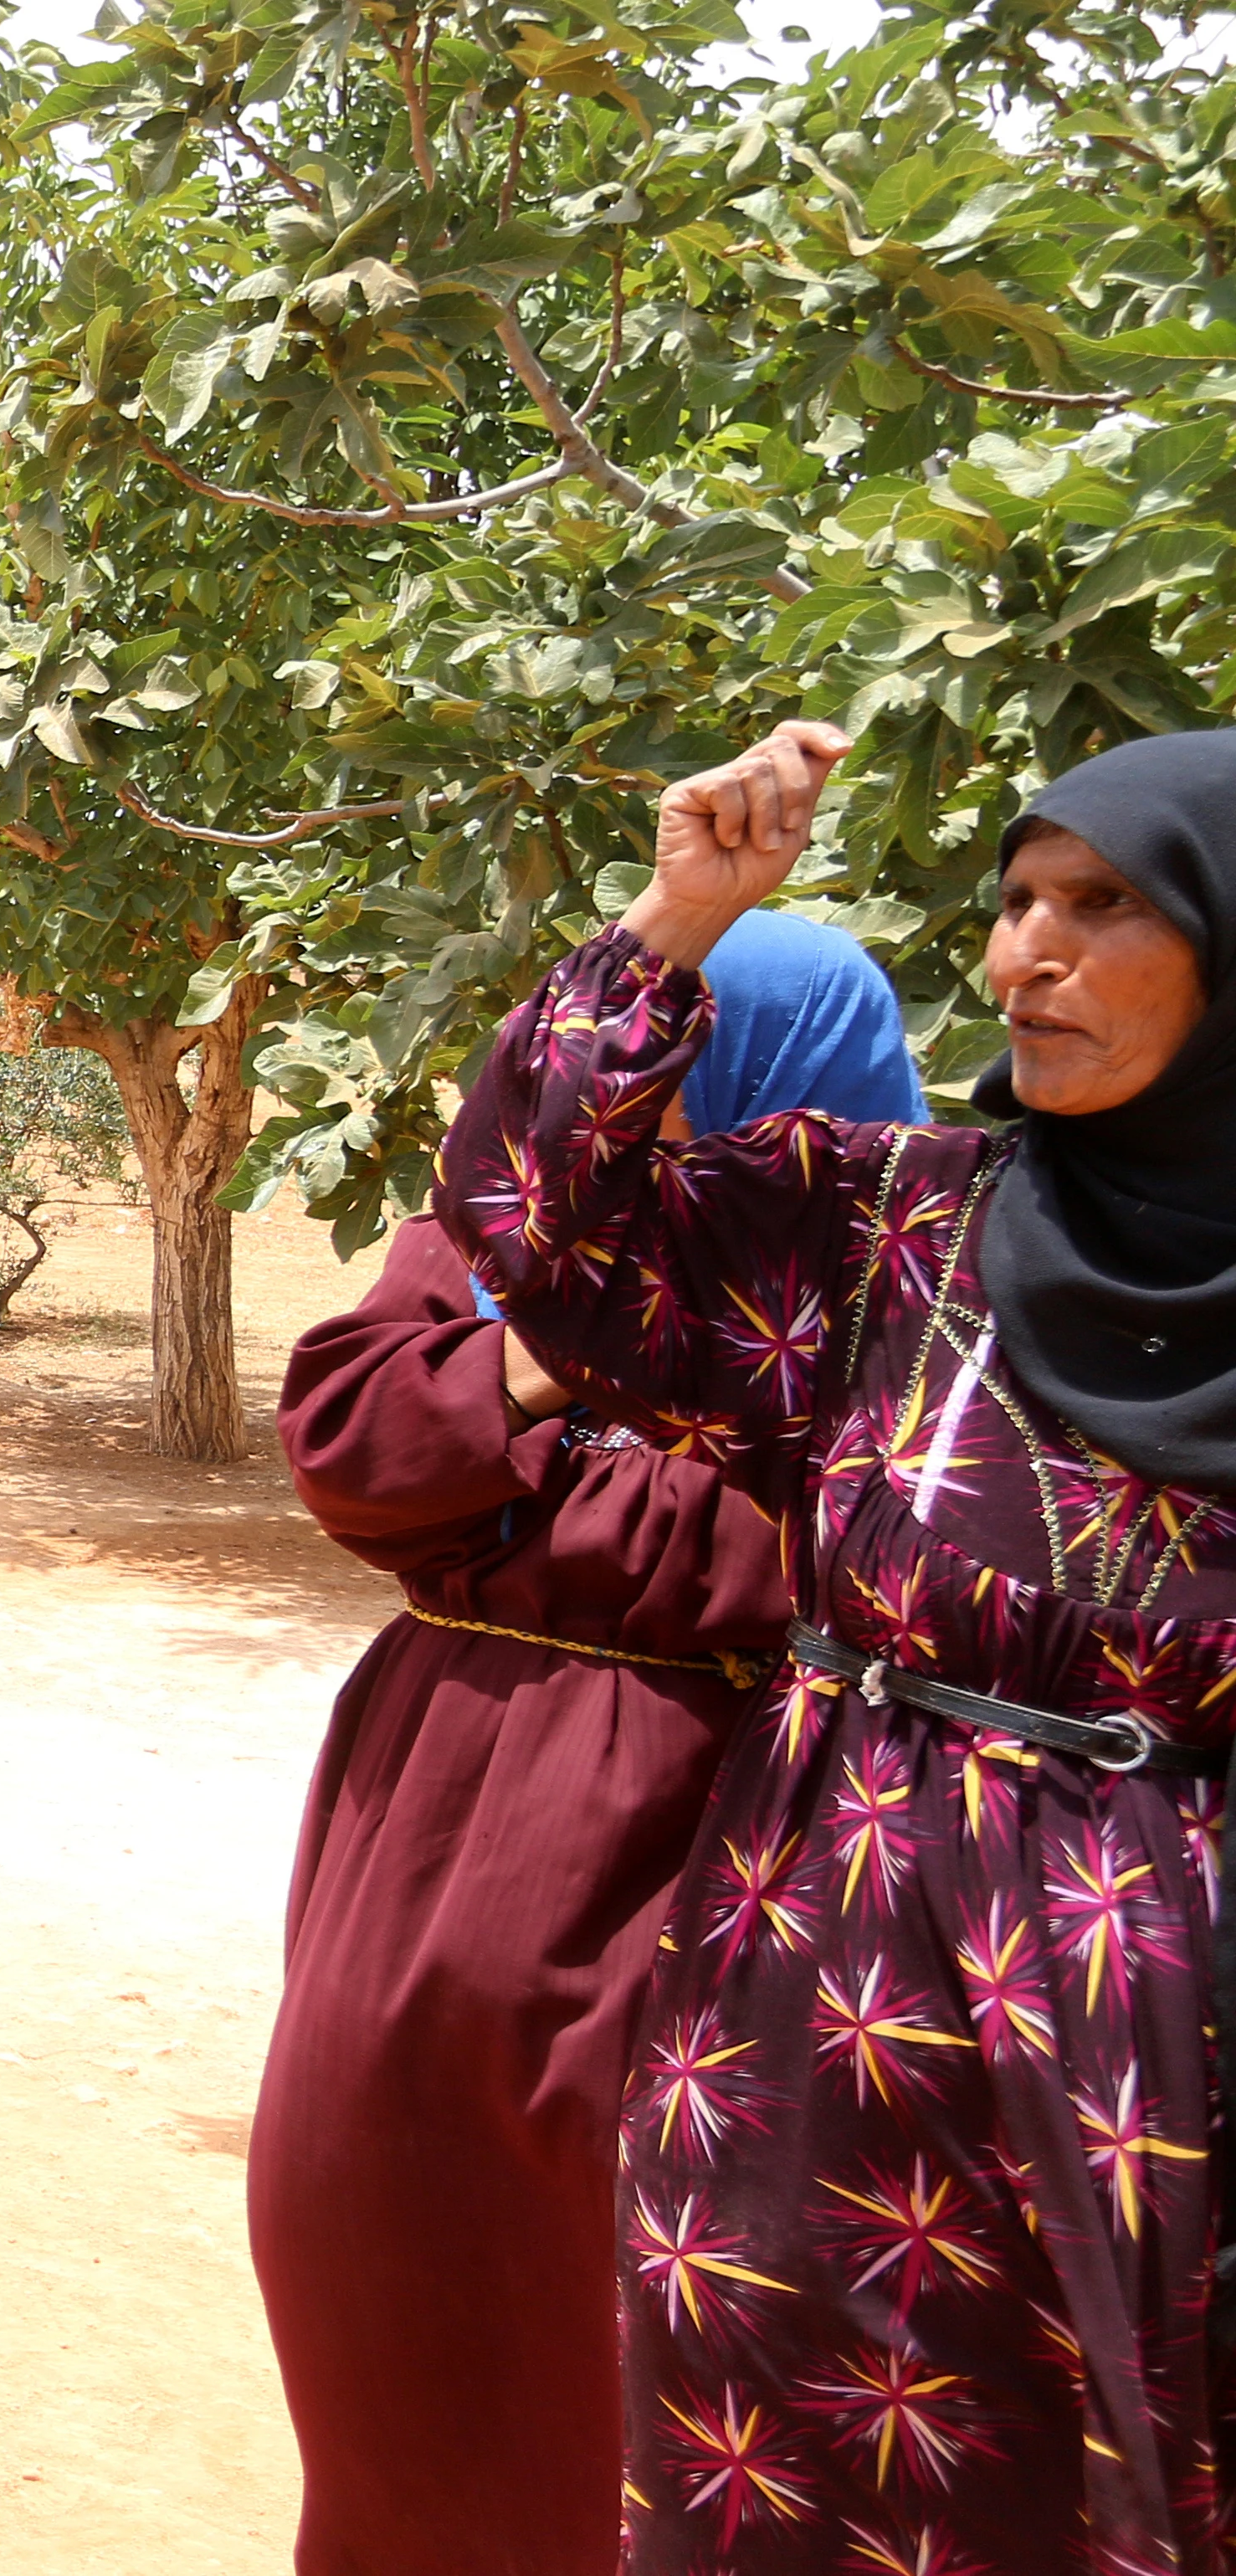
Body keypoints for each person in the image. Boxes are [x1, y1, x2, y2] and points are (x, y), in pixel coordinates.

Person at [439, 719, 1236, 2568]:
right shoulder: (906, 1223)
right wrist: (679, 919)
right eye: (1015, 901)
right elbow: (550, 1237)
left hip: (1164, 2047)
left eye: (1100, 908)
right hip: (820, 1999)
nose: (1023, 956)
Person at [256, 912, 926, 2573]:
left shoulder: (897, 1292)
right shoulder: (507, 1237)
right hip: (412, 1865)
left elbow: (840, 1552)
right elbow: (351, 1443)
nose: (648, 1116)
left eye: (690, 1076)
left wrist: (540, 1440)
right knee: (383, 2329)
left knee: (647, 2356)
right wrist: (571, 1334)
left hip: (709, 1859)